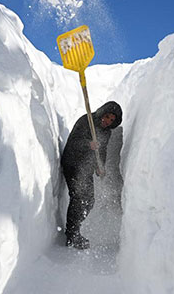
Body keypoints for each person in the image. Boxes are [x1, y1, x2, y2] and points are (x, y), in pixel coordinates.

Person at [60, 101, 123, 249]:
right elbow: (74, 142)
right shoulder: (86, 120)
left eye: (112, 120)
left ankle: (75, 229)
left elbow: (101, 151)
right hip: (73, 163)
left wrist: (100, 167)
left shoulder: (106, 132)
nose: (107, 121)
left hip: (85, 169)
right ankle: (71, 235)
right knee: (79, 198)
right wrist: (88, 144)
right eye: (107, 116)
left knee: (88, 201)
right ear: (102, 112)